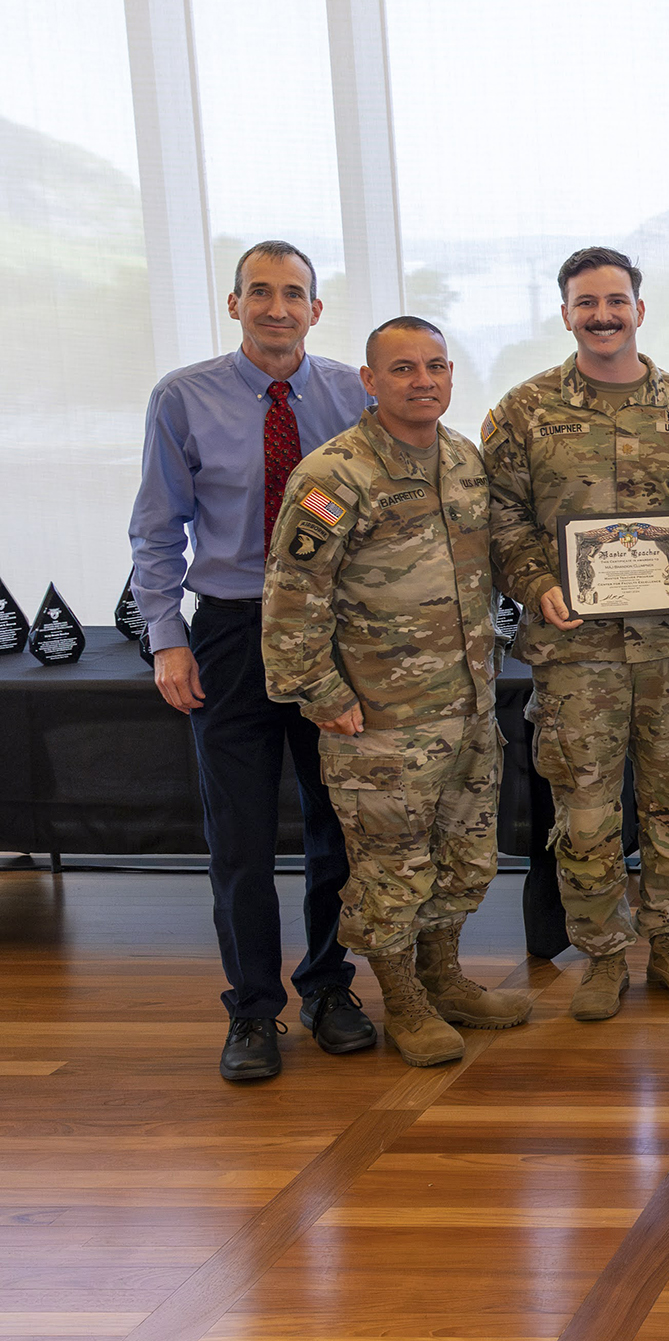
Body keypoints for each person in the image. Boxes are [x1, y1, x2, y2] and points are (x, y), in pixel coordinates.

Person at [130, 239, 376, 1081]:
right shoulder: (183, 398)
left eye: (294, 293)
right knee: (237, 835)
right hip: (232, 630)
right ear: (233, 304)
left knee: (334, 823)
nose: (278, 307)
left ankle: (329, 986)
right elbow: (156, 528)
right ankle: (251, 1010)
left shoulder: (353, 392)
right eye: (260, 292)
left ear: (316, 308)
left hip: (333, 631)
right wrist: (167, 636)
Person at [261, 317, 531, 1065]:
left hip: (470, 705)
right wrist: (319, 691)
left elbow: (498, 560)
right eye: (405, 368)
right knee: (390, 868)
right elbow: (291, 596)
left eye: (437, 366)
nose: (425, 381)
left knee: (464, 854)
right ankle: (404, 1002)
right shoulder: (332, 475)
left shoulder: (464, 461)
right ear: (369, 381)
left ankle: (444, 978)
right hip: (380, 717)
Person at [482, 247, 669, 1022]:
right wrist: (537, 584)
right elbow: (501, 516)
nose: (602, 315)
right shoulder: (521, 412)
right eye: (586, 303)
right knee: (584, 814)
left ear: (639, 309)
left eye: (615, 300)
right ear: (565, 314)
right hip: (574, 652)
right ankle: (601, 955)